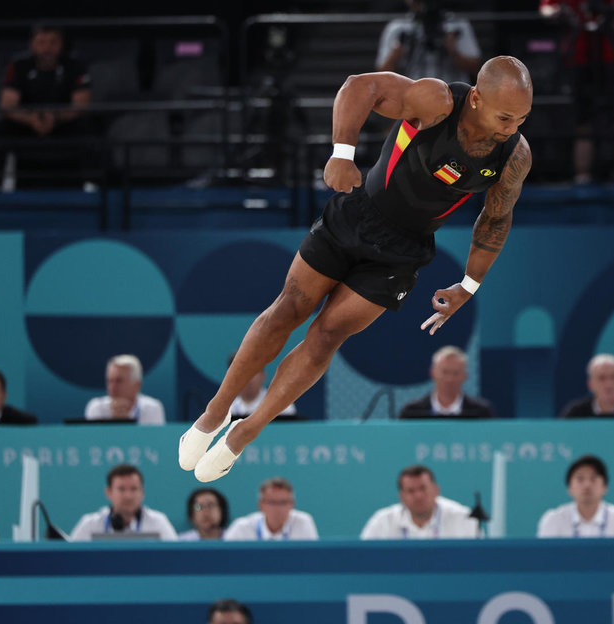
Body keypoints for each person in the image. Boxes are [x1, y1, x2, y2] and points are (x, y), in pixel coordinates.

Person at [180, 56, 533, 482]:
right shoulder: (436, 100)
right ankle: (215, 412)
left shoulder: (514, 155)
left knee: (328, 334)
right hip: (357, 213)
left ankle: (244, 433)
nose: (512, 127)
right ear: (475, 98)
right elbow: (359, 86)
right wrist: (342, 153)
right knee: (288, 308)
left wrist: (469, 285)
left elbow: (495, 219)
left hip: (404, 252)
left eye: (522, 118)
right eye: (506, 116)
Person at [539, 0, 614, 183]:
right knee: (582, 122)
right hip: (578, 57)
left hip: (611, 57)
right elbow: (546, 9)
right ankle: (582, 177)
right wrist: (559, 13)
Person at [0, 24, 92, 189]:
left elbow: (81, 104)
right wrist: (31, 120)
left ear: (61, 44)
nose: (47, 48)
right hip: (28, 127)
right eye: (41, 42)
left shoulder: (75, 66)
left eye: (52, 42)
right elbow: (7, 105)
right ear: (32, 44)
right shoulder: (19, 65)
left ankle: (88, 184)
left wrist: (55, 118)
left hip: (63, 127)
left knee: (89, 125)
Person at [537, 454, 614, 538]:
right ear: (569, 488)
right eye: (580, 479)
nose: (587, 485)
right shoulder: (553, 520)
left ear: (605, 487)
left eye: (593, 479)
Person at [376, 0, 482, 85]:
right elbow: (382, 73)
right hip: (413, 96)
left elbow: (476, 68)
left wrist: (453, 51)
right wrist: (396, 54)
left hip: (452, 95)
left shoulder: (456, 25)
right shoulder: (398, 28)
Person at [361, 464, 479, 539]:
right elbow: (364, 560)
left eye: (423, 488)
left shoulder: (463, 519)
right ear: (401, 497)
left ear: (436, 490)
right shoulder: (382, 522)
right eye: (411, 491)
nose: (418, 496)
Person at [69, 464, 178, 540]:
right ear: (109, 492)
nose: (128, 496)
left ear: (142, 492)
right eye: (121, 489)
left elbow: (174, 558)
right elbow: (72, 559)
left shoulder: (158, 522)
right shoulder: (89, 525)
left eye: (134, 489)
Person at [398, 345, 495, 418]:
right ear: (432, 373)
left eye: (455, 373)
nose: (450, 379)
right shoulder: (412, 413)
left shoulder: (481, 413)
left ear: (465, 376)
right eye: (445, 372)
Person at [224, 477, 319, 541]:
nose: (278, 508)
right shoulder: (241, 528)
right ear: (261, 505)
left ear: (292, 504)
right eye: (272, 502)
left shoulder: (303, 522)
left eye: (283, 502)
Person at [558, 353, 614, 418]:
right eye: (602, 378)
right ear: (590, 384)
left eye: (613, 377)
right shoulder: (576, 413)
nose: (609, 384)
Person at [85, 354, 166, 425]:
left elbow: (154, 440)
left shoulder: (153, 408)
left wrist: (123, 422)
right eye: (110, 381)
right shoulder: (96, 408)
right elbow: (94, 441)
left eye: (119, 381)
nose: (112, 387)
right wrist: (116, 422)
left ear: (137, 385)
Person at [227, 354, 298, 420]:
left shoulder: (282, 406)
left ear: (263, 375)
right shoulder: (225, 410)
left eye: (253, 371)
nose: (248, 378)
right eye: (242, 373)